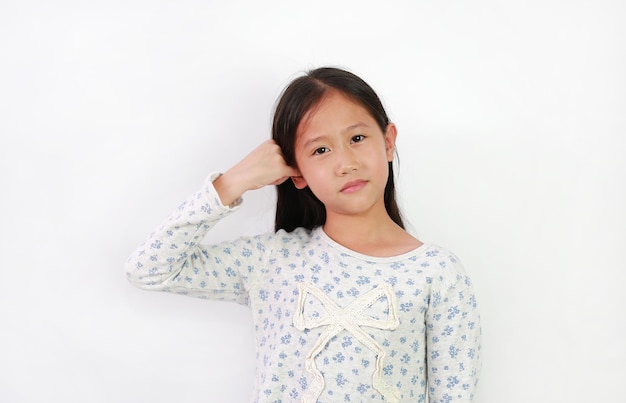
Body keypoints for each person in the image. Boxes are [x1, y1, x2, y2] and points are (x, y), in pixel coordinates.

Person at [125, 67, 482, 402]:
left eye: (357, 138)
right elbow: (149, 268)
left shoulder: (436, 273)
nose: (346, 163)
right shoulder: (271, 261)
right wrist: (234, 181)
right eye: (320, 150)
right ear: (297, 173)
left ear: (388, 141)